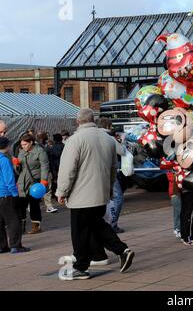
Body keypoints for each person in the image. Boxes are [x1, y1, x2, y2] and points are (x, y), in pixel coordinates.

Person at [56, 109, 134, 281]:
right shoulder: (108, 139)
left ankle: (81, 267)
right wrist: (108, 189)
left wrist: (61, 191)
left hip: (81, 195)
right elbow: (113, 168)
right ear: (94, 120)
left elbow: (68, 169)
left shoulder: (75, 140)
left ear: (77, 122)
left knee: (80, 232)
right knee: (98, 226)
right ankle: (122, 250)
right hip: (100, 192)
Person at [0, 137, 31, 254]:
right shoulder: (4, 160)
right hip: (6, 194)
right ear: (7, 146)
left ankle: (2, 246)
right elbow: (9, 179)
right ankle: (15, 246)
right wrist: (14, 193)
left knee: (0, 222)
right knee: (14, 221)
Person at [15, 134, 50, 234]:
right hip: (22, 182)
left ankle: (36, 226)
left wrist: (44, 181)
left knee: (34, 203)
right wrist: (16, 165)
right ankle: (21, 227)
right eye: (22, 145)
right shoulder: (21, 152)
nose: (23, 146)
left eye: (25, 144)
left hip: (35, 182)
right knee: (21, 203)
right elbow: (19, 171)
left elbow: (45, 167)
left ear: (31, 142)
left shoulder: (40, 152)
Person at [97, 117, 127, 234]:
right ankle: (112, 224)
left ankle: (102, 224)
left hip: (95, 173)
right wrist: (122, 142)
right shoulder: (109, 138)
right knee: (117, 197)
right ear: (108, 126)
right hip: (108, 172)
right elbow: (122, 151)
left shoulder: (92, 137)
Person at [37, 133, 58, 214]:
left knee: (47, 189)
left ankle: (49, 206)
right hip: (40, 171)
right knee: (44, 189)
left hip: (45, 170)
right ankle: (32, 206)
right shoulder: (42, 147)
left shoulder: (46, 146)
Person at [47, 134, 64, 199]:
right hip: (63, 166)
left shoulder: (52, 148)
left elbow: (50, 159)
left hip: (54, 167)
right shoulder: (64, 146)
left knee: (56, 181)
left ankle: (57, 194)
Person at [167, 171, 181, 238]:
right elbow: (171, 178)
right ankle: (178, 229)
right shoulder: (172, 172)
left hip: (177, 193)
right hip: (175, 193)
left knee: (177, 212)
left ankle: (177, 228)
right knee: (179, 212)